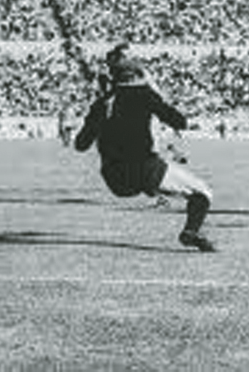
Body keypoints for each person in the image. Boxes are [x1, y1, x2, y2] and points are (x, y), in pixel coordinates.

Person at [74, 43, 216, 252]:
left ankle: (154, 192)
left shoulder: (101, 103)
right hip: (145, 169)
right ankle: (191, 231)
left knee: (153, 176)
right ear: (136, 74)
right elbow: (180, 122)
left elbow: (80, 145)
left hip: (115, 180)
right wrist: (154, 96)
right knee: (202, 193)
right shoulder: (144, 94)